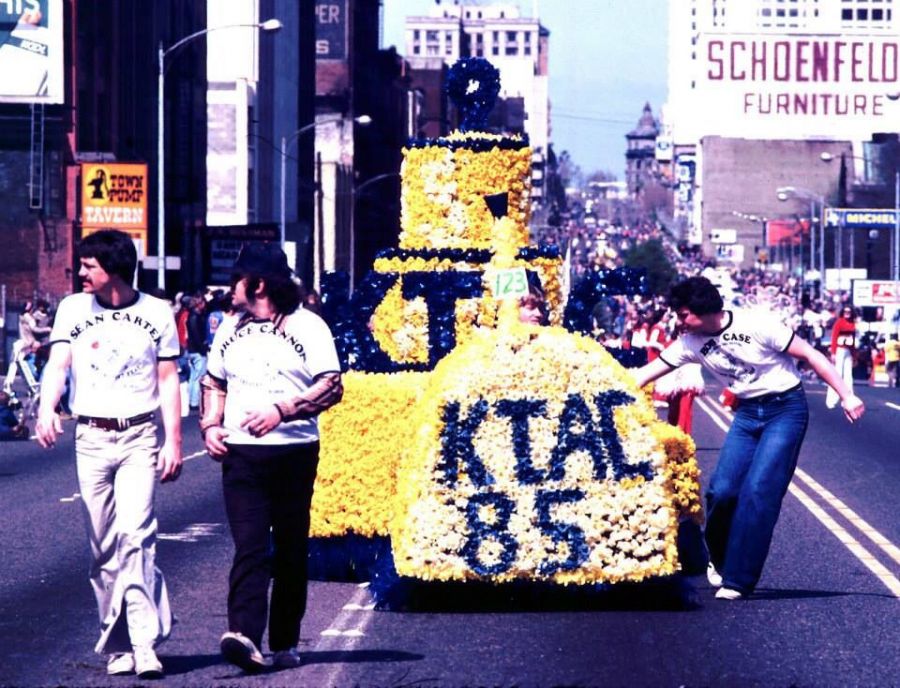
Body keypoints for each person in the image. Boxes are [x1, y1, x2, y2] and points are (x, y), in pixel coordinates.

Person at [632, 277, 864, 601]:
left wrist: (847, 396)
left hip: (785, 409)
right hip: (746, 414)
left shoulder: (757, 325)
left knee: (759, 490)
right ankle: (720, 558)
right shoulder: (690, 342)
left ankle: (739, 580)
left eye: (683, 314)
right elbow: (643, 374)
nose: (679, 321)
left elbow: (811, 355)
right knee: (721, 491)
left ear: (703, 309)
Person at [35, 229, 182, 679]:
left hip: (138, 436)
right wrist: (46, 409)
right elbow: (58, 364)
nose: (80, 273)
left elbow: (168, 380)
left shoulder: (156, 312)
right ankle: (116, 639)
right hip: (92, 439)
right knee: (103, 547)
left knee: (137, 535)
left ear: (113, 271)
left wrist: (173, 440)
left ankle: (142, 642)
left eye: (89, 266)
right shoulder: (72, 309)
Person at [199, 242, 343, 672]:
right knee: (250, 546)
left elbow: (332, 385)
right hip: (242, 454)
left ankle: (285, 640)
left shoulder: (309, 326)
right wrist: (209, 426)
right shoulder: (230, 326)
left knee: (290, 549)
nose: (231, 287)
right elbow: (213, 381)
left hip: (295, 450)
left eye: (237, 279)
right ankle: (243, 635)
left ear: (258, 283)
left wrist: (282, 410)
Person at [826, 305, 856, 409]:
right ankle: (831, 400)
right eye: (845, 311)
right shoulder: (839, 322)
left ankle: (848, 399)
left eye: (849, 312)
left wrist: (854, 354)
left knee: (848, 376)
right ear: (843, 312)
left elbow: (853, 341)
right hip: (839, 350)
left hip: (848, 351)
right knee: (837, 374)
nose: (847, 313)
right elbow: (834, 337)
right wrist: (833, 353)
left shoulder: (852, 323)